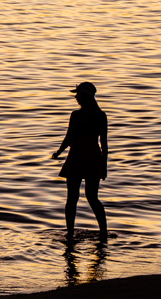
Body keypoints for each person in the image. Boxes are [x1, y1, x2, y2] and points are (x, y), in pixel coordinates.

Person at [52, 81, 108, 236]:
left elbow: (69, 137)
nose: (76, 97)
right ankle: (103, 232)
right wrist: (104, 166)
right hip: (93, 158)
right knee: (92, 197)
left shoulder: (77, 115)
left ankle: (70, 233)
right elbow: (104, 144)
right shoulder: (101, 116)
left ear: (85, 97)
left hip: (77, 158)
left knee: (72, 198)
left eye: (78, 95)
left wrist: (59, 152)